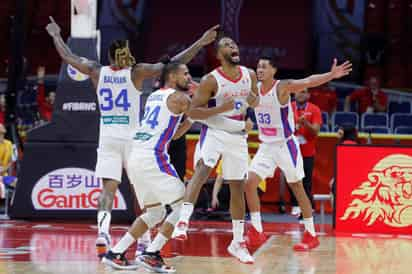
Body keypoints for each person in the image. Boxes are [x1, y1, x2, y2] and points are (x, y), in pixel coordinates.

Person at [46, 17, 219, 257]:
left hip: (107, 137)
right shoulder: (136, 72)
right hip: (134, 139)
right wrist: (200, 42)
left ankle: (103, 232)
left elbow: (68, 57)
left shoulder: (96, 71)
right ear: (123, 56)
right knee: (143, 194)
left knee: (108, 190)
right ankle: (144, 241)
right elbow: (173, 65)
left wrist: (55, 35)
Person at [244, 55, 352, 251]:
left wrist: (331, 75)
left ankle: (311, 234)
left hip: (286, 145)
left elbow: (309, 81)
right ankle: (257, 230)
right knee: (249, 182)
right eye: (258, 67)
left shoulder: (282, 87)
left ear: (273, 71)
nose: (259, 70)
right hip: (266, 146)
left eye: (264, 67)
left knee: (298, 188)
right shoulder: (254, 90)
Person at [173, 37, 260, 264]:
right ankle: (183, 221)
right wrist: (222, 108)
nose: (234, 48)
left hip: (237, 135)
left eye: (234, 44)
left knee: (237, 187)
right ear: (219, 54)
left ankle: (238, 242)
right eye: (228, 46)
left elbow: (254, 102)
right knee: (203, 170)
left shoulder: (249, 74)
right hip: (214, 132)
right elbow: (193, 113)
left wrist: (252, 105)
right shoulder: (211, 80)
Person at [102, 61, 193, 272]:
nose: (189, 78)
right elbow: (202, 111)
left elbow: (176, 134)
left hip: (136, 157)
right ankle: (152, 253)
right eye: (185, 74)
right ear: (172, 77)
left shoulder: (154, 96)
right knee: (183, 205)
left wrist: (189, 119)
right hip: (153, 157)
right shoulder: (179, 97)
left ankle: (116, 252)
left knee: (155, 213)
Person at [288, 88, 322, 217]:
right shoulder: (288, 107)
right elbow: (282, 127)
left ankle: (306, 206)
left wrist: (305, 123)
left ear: (308, 95)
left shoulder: (314, 109)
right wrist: (295, 127)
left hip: (307, 151)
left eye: (304, 92)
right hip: (291, 150)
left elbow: (315, 131)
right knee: (291, 178)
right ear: (294, 93)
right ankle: (295, 205)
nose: (301, 94)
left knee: (306, 180)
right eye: (298, 91)